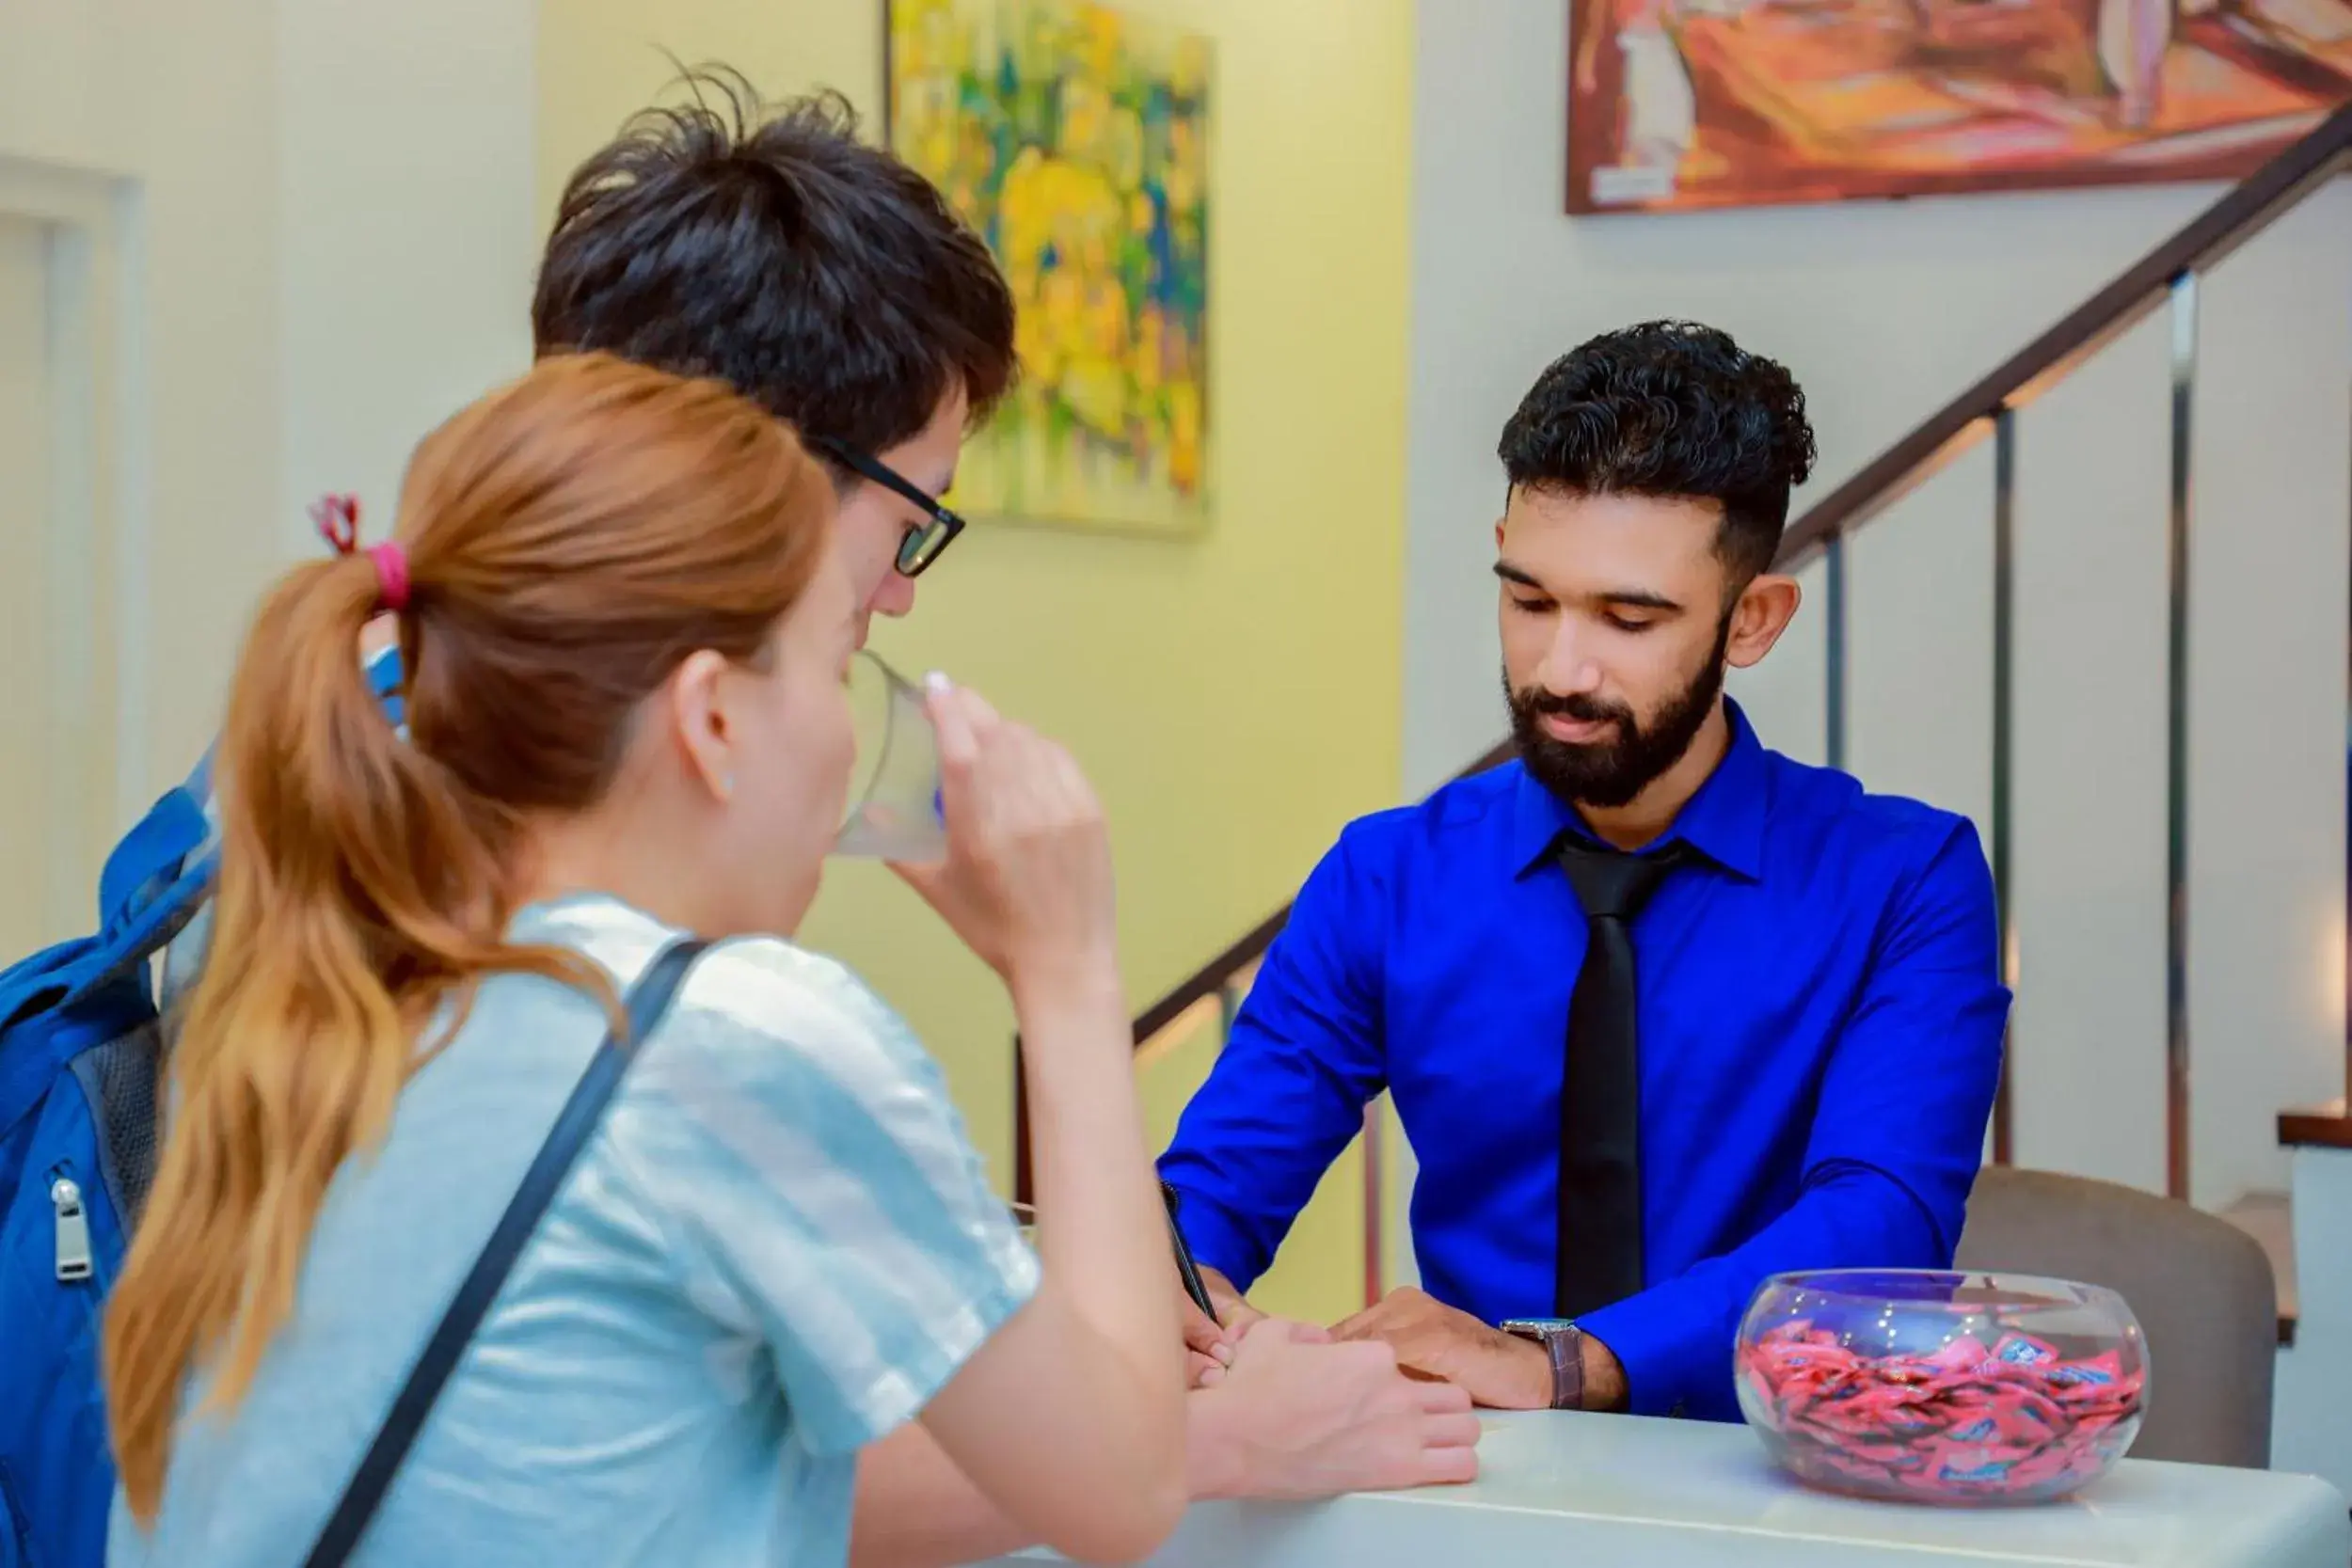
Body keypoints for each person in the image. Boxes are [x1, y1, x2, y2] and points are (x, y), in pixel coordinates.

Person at [148, 69, 1478, 1565]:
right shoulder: (716, 1022)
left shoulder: (331, 811)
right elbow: (1097, 1481)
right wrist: (1067, 969)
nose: (897, 600)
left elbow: (604, 1434)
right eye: (910, 523)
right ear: (747, 491)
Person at [107, 354, 1200, 1566]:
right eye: (834, 670)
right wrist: (1068, 971)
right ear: (713, 720)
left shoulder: (336, 1008)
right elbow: (1124, 1482)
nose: (851, 737)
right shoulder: (723, 1034)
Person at [1161, 321, 2012, 1423]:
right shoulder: (1387, 877)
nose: (1562, 669)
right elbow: (1213, 1190)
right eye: (1529, 601)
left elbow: (1881, 1221)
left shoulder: (1907, 880)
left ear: (1749, 618)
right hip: (1470, 1488)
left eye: (1628, 617)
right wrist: (1185, 1302)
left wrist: (1569, 1358)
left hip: (1778, 1485)